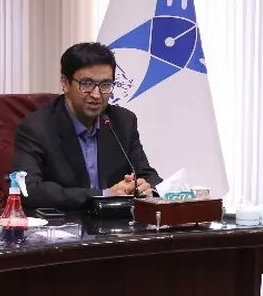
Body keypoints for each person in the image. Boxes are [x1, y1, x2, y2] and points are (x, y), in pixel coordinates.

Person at [13, 42, 160, 211]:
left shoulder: (123, 122)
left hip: (117, 223)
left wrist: (146, 188)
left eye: (105, 84)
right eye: (87, 84)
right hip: (65, 223)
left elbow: (147, 175)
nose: (97, 95)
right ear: (65, 83)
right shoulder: (36, 127)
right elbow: (28, 190)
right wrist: (104, 194)